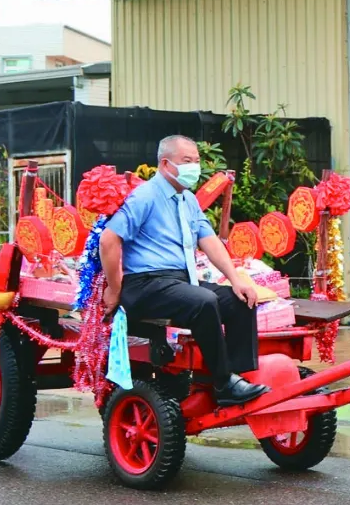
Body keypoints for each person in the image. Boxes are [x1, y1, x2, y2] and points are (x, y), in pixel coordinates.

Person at [99, 135, 270, 406]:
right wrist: (114, 288)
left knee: (242, 300)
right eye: (187, 161)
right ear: (166, 164)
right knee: (204, 301)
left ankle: (233, 377)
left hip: (179, 282)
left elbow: (209, 240)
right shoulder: (146, 196)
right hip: (145, 284)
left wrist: (236, 280)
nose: (195, 167)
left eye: (197, 161)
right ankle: (224, 384)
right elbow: (109, 239)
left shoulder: (187, 199)